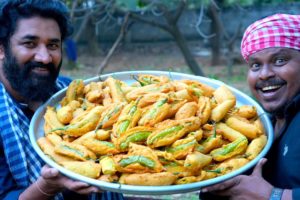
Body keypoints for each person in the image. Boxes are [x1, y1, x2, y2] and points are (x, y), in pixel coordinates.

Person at [0, 1, 124, 200]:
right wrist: (47, 187)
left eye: (53, 45)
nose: (45, 58)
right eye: (29, 44)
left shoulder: (70, 92)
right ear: (1, 49)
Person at [199, 13, 300, 200]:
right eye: (255, 65)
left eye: (280, 61)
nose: (264, 74)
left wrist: (273, 196)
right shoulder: (257, 124)